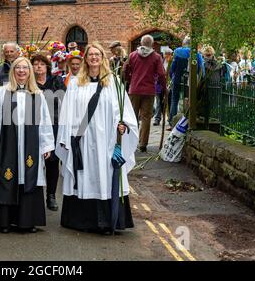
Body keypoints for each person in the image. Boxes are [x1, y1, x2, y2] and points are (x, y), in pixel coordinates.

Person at [56, 42, 139, 235]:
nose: (94, 57)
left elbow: (123, 110)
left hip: (106, 141)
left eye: (97, 54)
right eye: (90, 54)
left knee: (105, 176)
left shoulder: (113, 82)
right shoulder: (76, 83)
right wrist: (67, 138)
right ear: (86, 59)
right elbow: (67, 111)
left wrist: (123, 125)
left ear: (102, 58)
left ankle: (107, 221)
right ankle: (83, 221)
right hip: (82, 140)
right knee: (85, 177)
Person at [0, 56, 55, 233]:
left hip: (30, 147)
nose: (21, 71)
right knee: (7, 175)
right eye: (18, 68)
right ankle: (4, 221)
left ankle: (26, 221)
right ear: (12, 71)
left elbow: (44, 122)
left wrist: (46, 145)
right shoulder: (2, 92)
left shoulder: (37, 95)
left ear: (30, 72)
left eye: (25, 68)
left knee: (28, 175)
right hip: (7, 145)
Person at [32, 54, 66, 211]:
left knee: (52, 162)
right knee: (33, 161)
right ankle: (33, 194)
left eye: (42, 64)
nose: (38, 66)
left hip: (54, 125)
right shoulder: (29, 83)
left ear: (47, 66)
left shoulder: (56, 81)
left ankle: (51, 196)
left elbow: (64, 101)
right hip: (33, 125)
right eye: (35, 64)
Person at [123, 35, 167, 152]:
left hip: (135, 89)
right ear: (152, 44)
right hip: (149, 90)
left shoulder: (132, 55)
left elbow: (124, 69)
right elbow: (161, 74)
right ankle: (143, 144)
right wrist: (164, 87)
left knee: (133, 117)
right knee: (146, 118)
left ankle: (131, 142)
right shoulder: (156, 57)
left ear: (141, 43)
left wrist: (130, 80)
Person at [168, 36, 204, 129]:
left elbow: (172, 68)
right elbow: (201, 69)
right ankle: (186, 121)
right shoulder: (196, 54)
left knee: (174, 100)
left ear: (184, 44)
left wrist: (172, 76)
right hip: (191, 82)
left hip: (177, 79)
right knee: (189, 100)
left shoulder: (177, 52)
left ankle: (173, 121)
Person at [153, 47, 173, 126]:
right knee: (158, 102)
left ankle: (170, 119)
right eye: (165, 54)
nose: (167, 56)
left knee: (169, 102)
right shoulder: (160, 62)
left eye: (168, 54)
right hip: (159, 85)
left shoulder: (172, 63)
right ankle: (157, 119)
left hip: (169, 85)